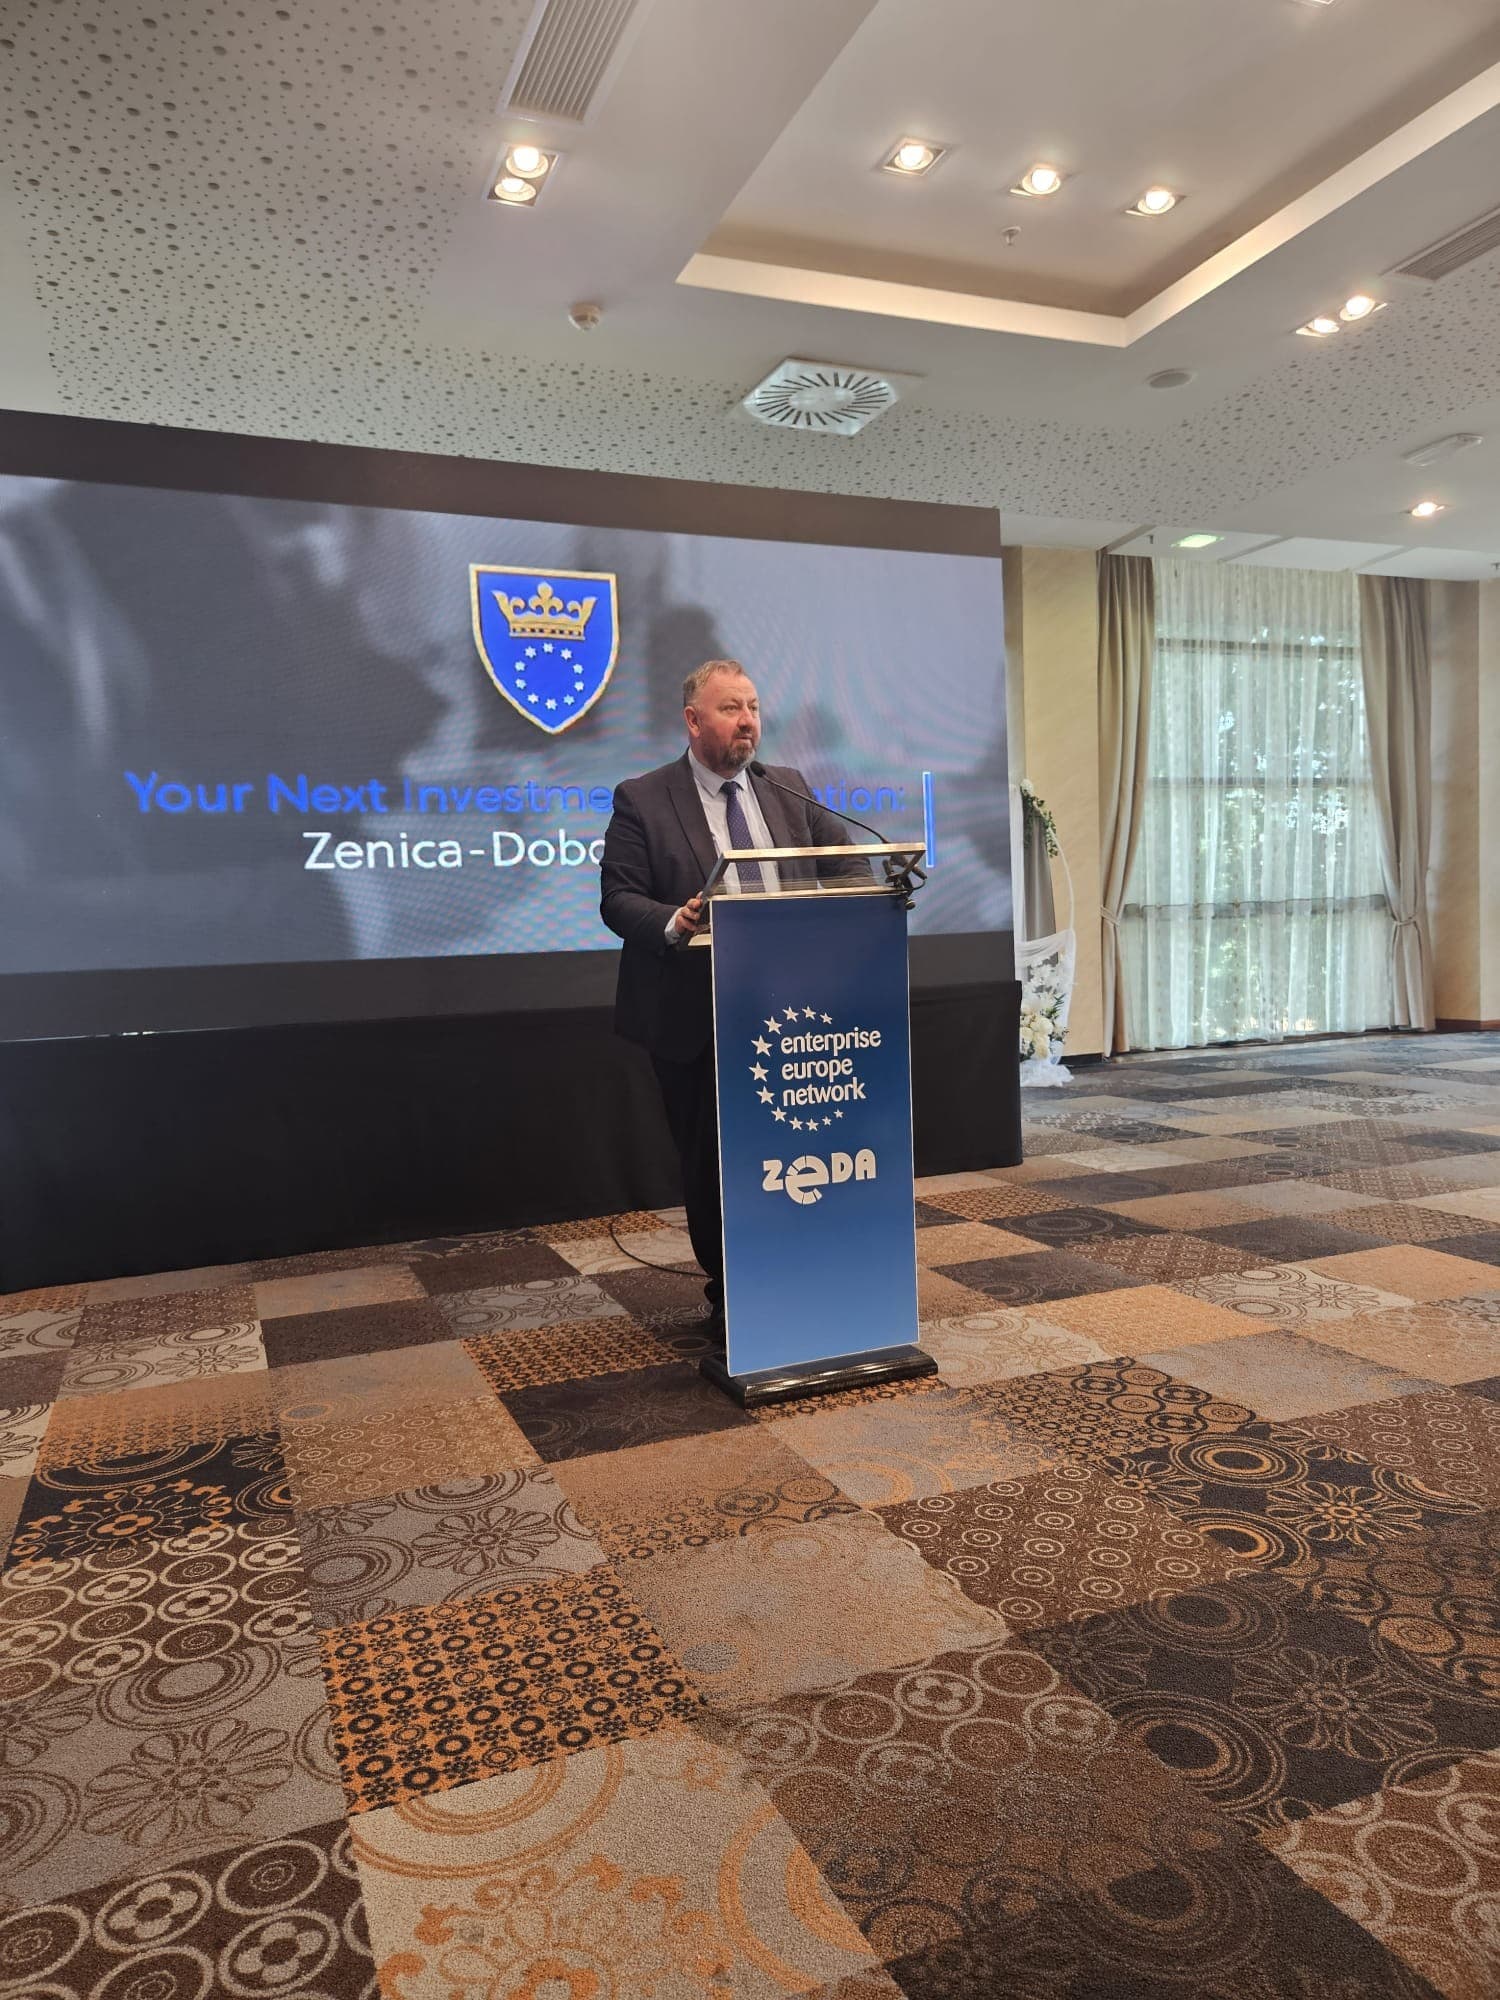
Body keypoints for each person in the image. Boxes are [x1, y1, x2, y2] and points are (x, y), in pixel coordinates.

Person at [600, 659, 871, 1336]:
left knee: (795, 1152)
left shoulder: (790, 787)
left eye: (752, 707)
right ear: (693, 721)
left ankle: (804, 1274)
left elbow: (849, 867)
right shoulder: (643, 797)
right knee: (714, 1161)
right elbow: (618, 897)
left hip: (793, 1011)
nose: (747, 721)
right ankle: (735, 1296)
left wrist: (853, 901)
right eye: (731, 709)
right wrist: (675, 920)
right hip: (697, 1013)